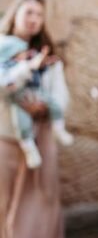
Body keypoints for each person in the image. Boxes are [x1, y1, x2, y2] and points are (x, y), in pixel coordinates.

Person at [0, 0, 75, 238]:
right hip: (6, 134)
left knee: (47, 192)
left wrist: (46, 108)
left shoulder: (47, 55)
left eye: (38, 15)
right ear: (16, 13)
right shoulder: (3, 50)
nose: (33, 20)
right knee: (2, 199)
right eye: (28, 12)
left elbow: (61, 93)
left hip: (42, 132)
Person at [0, 35, 73, 168]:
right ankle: (29, 147)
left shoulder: (32, 57)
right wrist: (28, 66)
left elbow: (58, 91)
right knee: (23, 125)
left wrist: (46, 63)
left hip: (41, 125)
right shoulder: (7, 65)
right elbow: (6, 84)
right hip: (8, 131)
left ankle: (59, 128)